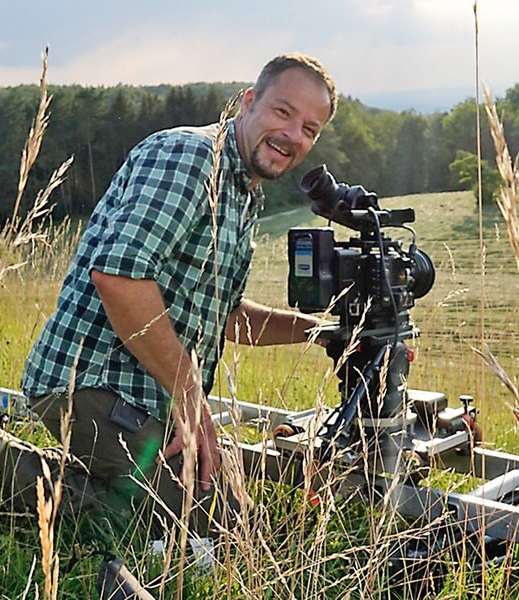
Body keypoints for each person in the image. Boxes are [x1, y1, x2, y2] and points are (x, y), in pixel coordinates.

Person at [18, 53, 337, 543]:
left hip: (148, 397)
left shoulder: (243, 192)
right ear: (249, 101)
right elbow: (118, 277)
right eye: (283, 112)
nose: (294, 136)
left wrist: (319, 332)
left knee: (233, 514)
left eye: (310, 129)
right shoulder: (191, 159)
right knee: (214, 526)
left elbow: (224, 316)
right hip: (88, 383)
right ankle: (7, 470)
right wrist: (190, 400)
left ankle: (77, 484)